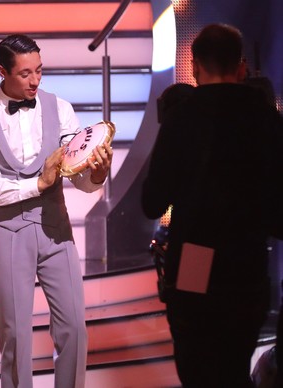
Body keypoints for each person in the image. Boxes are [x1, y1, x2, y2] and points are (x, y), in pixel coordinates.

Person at [0, 34, 113, 388]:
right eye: (25, 73)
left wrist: (97, 173)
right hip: (9, 232)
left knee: (74, 326)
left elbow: (77, 174)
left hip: (55, 228)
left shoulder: (59, 108)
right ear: (3, 72)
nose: (35, 81)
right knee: (15, 335)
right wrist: (38, 184)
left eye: (39, 71)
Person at [142, 23, 283, 387]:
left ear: (194, 66)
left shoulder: (182, 118)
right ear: (242, 65)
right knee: (235, 365)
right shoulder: (267, 118)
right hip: (246, 258)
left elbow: (151, 200)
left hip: (195, 257)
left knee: (197, 363)